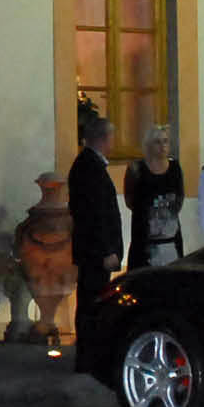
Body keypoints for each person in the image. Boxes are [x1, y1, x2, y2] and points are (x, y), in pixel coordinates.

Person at [67, 114, 123, 334]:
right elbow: (96, 214)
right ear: (104, 138)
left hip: (91, 249)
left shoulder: (87, 165)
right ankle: (88, 354)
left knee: (91, 300)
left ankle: (88, 352)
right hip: (95, 252)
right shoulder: (90, 168)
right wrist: (107, 250)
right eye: (112, 138)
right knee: (93, 301)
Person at [123, 123, 186, 268]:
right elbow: (129, 199)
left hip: (170, 236)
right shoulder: (136, 168)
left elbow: (180, 196)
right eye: (157, 142)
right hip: (144, 238)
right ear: (149, 145)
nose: (162, 146)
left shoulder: (174, 167)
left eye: (165, 141)